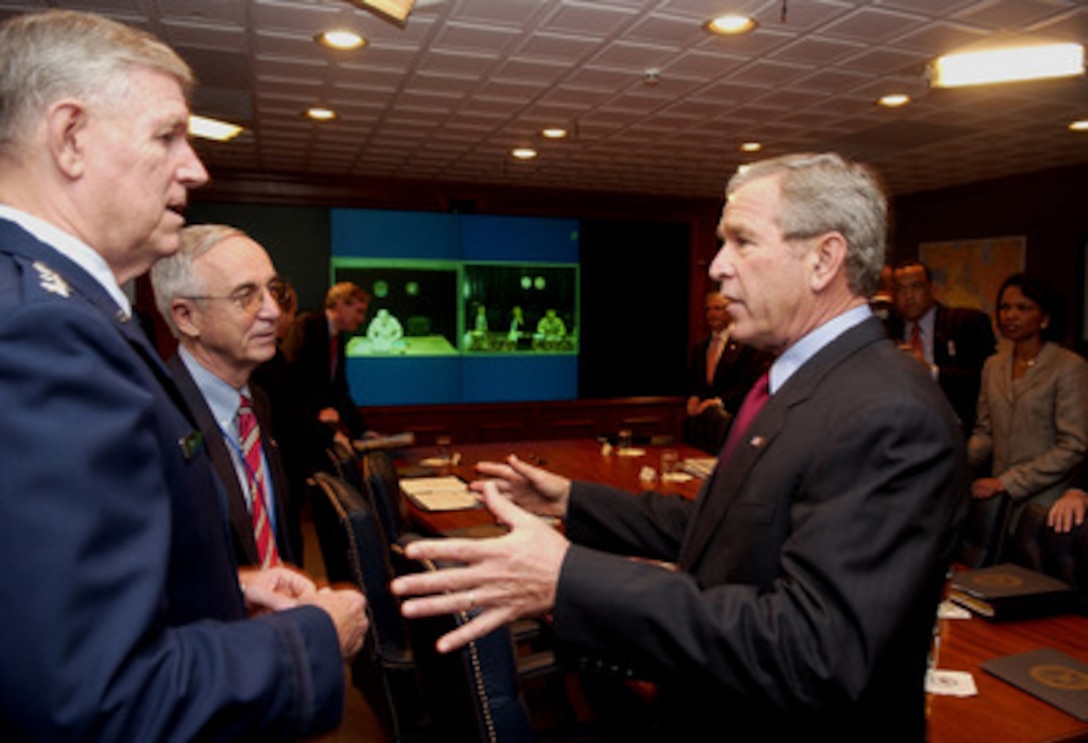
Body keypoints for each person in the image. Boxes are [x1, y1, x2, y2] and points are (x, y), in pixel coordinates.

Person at [391, 152, 969, 741]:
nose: (717, 267)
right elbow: (726, 523)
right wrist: (573, 501)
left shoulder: (889, 413)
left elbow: (813, 652)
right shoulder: (803, 382)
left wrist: (571, 578)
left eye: (741, 242)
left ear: (824, 258)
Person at [0, 10, 366, 740]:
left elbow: (40, 601)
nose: (195, 166)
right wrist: (314, 637)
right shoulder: (43, 328)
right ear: (70, 137)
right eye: (167, 135)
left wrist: (223, 588)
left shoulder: (55, 306)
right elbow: (94, 697)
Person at [150, 224, 300, 566]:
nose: (273, 312)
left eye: (271, 290)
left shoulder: (256, 403)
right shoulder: (153, 419)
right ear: (186, 317)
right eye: (245, 296)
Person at [967, 273, 1088, 534]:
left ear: (1044, 318)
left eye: (1023, 308)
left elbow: (1073, 445)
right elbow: (985, 433)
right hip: (997, 505)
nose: (1011, 315)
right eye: (1005, 307)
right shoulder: (993, 365)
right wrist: (955, 461)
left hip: (1047, 506)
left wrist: (1009, 482)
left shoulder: (1068, 367)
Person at [888, 260, 996, 434]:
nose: (909, 296)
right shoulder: (886, 332)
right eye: (901, 289)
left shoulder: (966, 324)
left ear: (932, 289)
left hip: (955, 429)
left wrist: (930, 371)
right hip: (904, 431)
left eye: (916, 287)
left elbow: (983, 381)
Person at [283, 280, 374, 453]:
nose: (361, 319)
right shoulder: (307, 325)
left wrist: (363, 431)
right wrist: (316, 413)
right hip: (298, 430)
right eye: (358, 311)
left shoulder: (339, 340)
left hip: (318, 428)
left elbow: (339, 392)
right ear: (339, 304)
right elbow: (290, 382)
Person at [683, 291, 771, 452]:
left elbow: (750, 386)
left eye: (717, 308)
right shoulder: (700, 345)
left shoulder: (746, 344)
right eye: (708, 309)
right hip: (703, 428)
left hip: (733, 424)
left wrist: (718, 402)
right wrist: (694, 397)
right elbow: (695, 382)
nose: (712, 314)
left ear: (731, 311)